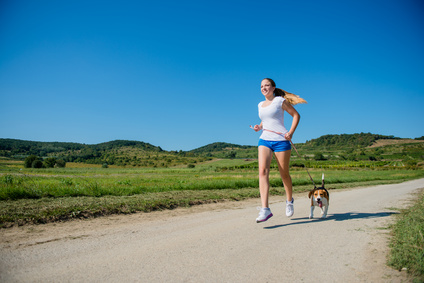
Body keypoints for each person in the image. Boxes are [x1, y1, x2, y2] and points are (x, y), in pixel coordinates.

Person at [252, 78, 304, 223]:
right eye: (261, 86)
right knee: (262, 171)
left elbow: (296, 115)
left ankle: (289, 201)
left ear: (273, 87)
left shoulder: (280, 101)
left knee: (284, 174)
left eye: (267, 85)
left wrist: (291, 132)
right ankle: (265, 209)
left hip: (281, 140)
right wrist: (259, 126)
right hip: (265, 140)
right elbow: (267, 120)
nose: (264, 88)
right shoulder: (260, 105)